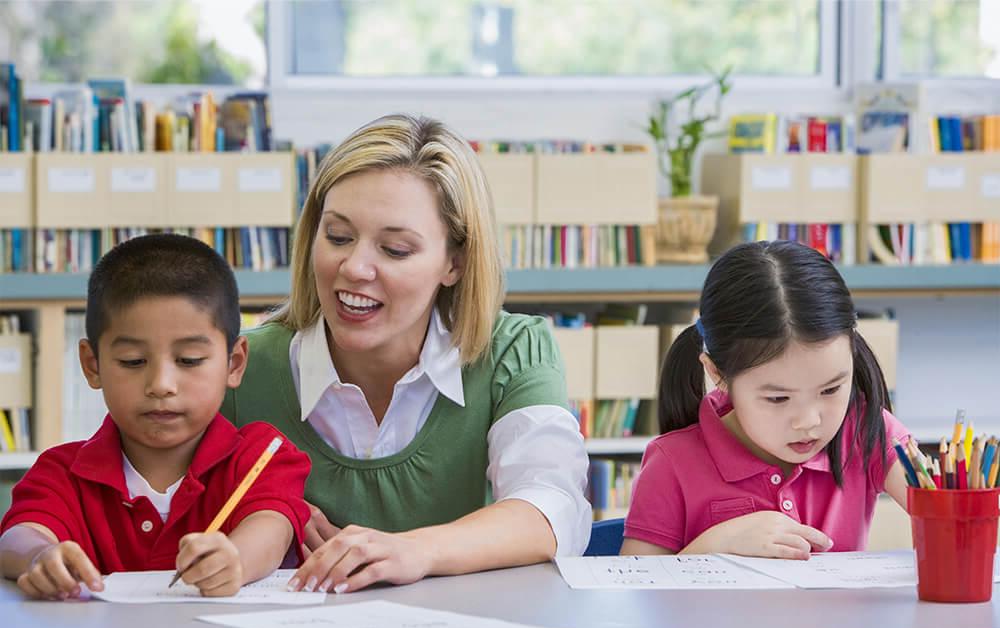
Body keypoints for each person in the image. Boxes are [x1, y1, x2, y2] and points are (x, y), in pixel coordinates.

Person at [220, 114, 591, 595]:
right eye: (337, 237)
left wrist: (415, 550)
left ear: (454, 262)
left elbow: (552, 506)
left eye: (394, 250)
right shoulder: (240, 366)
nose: (353, 267)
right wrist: (267, 509)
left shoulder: (513, 351)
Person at [0, 234, 311, 599]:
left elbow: (272, 526)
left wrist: (236, 559)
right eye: (133, 361)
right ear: (92, 365)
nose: (161, 385)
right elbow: (17, 536)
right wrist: (40, 556)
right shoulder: (62, 471)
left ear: (234, 362)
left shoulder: (262, 455)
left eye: (189, 360)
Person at [621, 241, 910, 558]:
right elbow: (636, 593)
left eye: (830, 390)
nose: (809, 421)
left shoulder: (865, 429)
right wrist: (713, 546)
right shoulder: (671, 463)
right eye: (777, 398)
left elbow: (945, 507)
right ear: (717, 373)